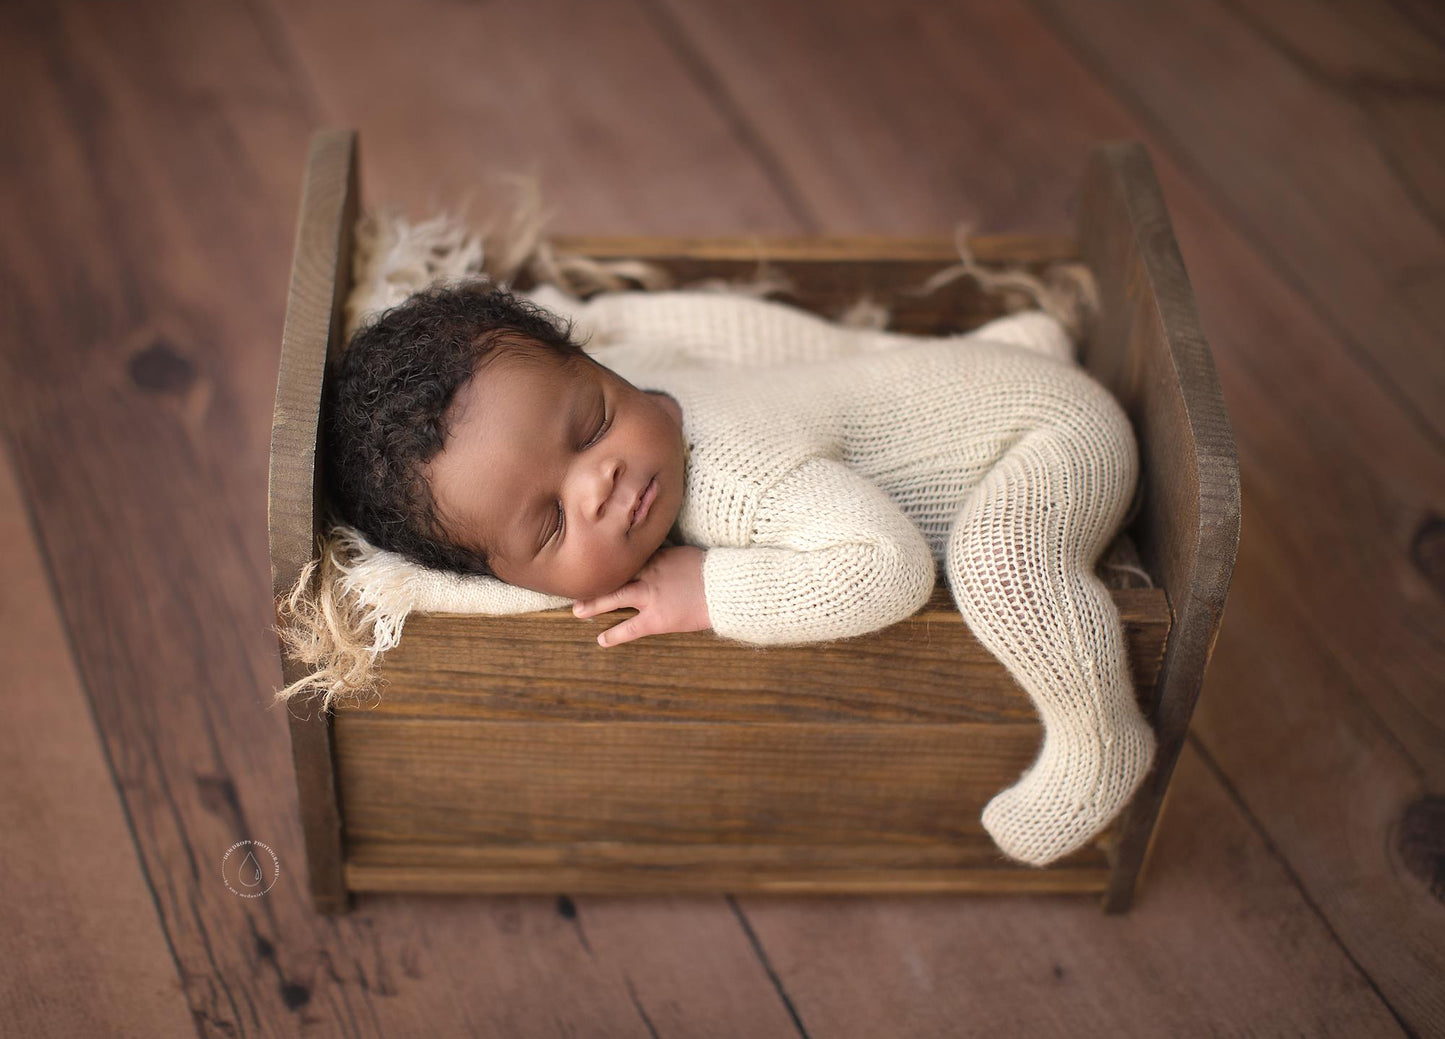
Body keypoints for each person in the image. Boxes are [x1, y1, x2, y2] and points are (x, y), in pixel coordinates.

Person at [322, 279, 1156, 866]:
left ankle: (1101, 734)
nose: (600, 478)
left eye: (591, 423)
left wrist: (711, 590)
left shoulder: (738, 482)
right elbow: (745, 331)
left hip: (1047, 439)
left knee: (998, 567)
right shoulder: (645, 390)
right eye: (549, 521)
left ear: (598, 369)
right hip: (979, 384)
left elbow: (888, 569)